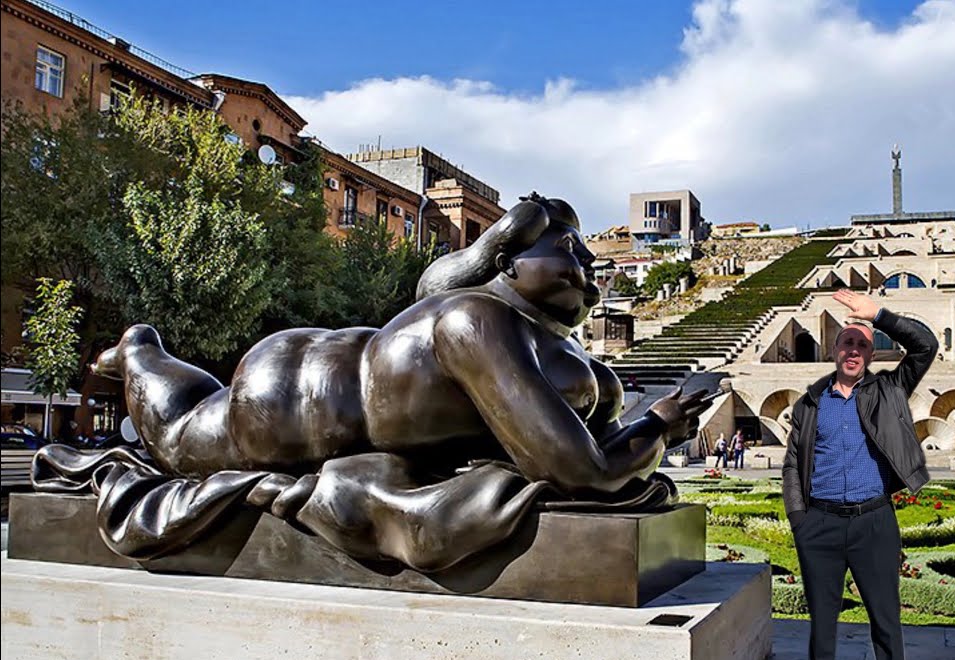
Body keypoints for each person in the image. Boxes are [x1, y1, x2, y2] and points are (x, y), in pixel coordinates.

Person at [49, 194, 712, 570]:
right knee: (177, 435)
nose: (589, 268)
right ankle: (138, 352)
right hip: (285, 404)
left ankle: (141, 354)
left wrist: (627, 416)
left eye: (590, 259)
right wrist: (659, 428)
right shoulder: (475, 319)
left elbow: (579, 435)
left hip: (321, 385)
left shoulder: (530, 337)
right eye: (569, 249)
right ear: (508, 262)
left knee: (191, 419)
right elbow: (581, 474)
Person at [782, 288, 938, 660]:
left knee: (885, 616)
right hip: (821, 524)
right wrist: (800, 521)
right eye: (847, 342)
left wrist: (879, 315)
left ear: (871, 355)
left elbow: (926, 345)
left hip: (874, 521)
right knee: (823, 620)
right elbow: (793, 463)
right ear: (834, 350)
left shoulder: (889, 390)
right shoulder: (811, 403)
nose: (853, 351)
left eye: (862, 345)